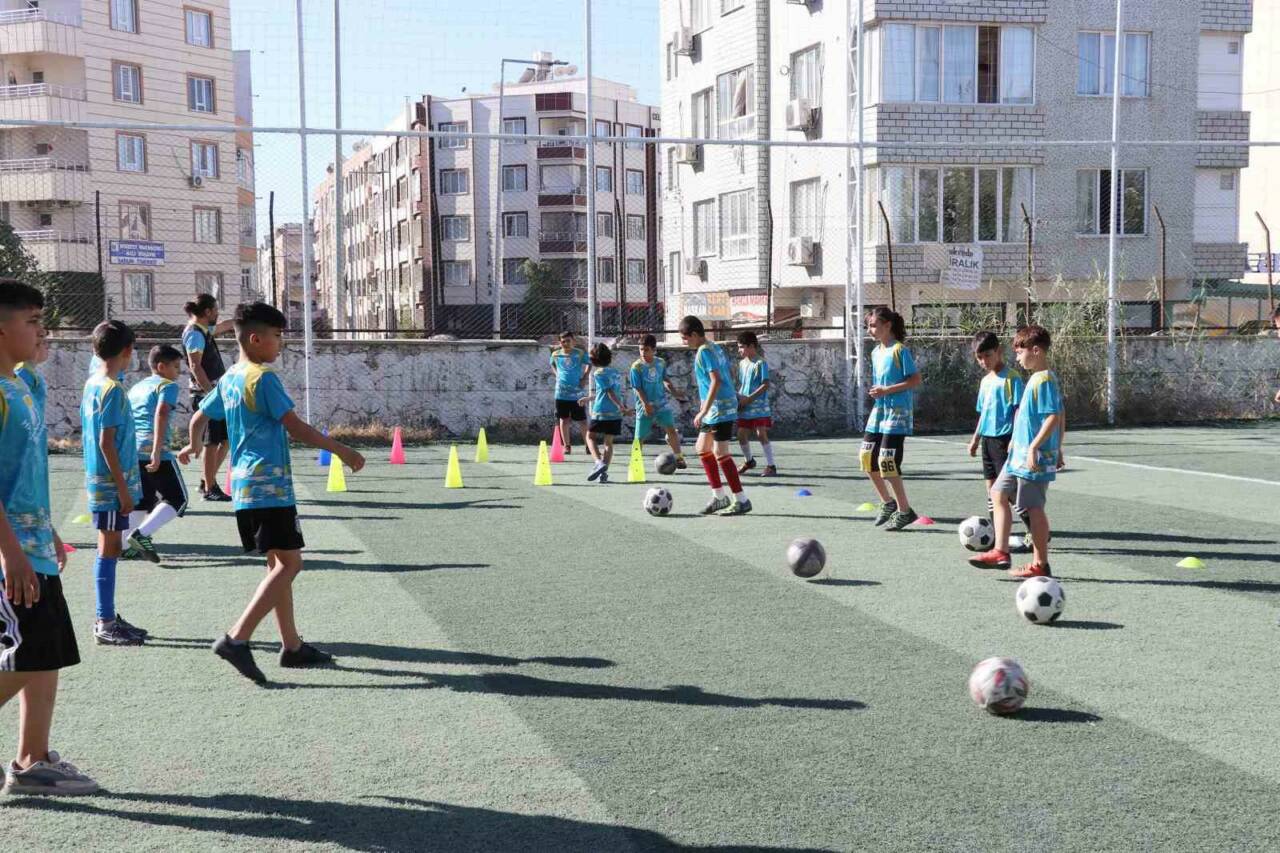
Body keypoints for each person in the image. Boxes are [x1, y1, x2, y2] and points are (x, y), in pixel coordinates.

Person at [180, 302, 365, 684]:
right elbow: (295, 427)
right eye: (278, 336)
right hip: (270, 487)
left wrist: (193, 446)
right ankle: (237, 638)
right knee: (290, 565)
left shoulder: (231, 377)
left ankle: (291, 646)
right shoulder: (262, 378)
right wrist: (342, 450)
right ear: (255, 339)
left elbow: (199, 416)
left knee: (277, 564)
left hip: (244, 487)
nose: (281, 343)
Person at [0, 279, 97, 796]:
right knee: (32, 648)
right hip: (10, 553)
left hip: (32, 544)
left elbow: (22, 474)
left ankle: (32, 761)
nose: (43, 332)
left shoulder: (21, 385)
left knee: (45, 652)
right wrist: (11, 553)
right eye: (33, 321)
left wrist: (48, 530)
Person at [969, 325, 1064, 578]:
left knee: (1033, 507)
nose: (1018, 357)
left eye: (1021, 352)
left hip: (1033, 456)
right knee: (998, 493)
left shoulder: (1044, 380)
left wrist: (1035, 447)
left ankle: (1040, 563)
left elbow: (1054, 416)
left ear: (1036, 351)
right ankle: (1000, 551)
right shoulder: (1036, 378)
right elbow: (1056, 414)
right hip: (1017, 455)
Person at [82, 320, 149, 646]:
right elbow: (106, 442)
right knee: (109, 549)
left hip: (102, 483)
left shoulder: (94, 383)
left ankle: (106, 615)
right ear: (127, 350)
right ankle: (104, 621)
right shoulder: (112, 389)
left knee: (110, 547)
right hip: (110, 486)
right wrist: (123, 490)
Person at [124, 345, 190, 564]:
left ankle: (125, 546)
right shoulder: (167, 385)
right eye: (176, 367)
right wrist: (156, 449)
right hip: (153, 448)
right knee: (178, 498)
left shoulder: (138, 387)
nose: (179, 371)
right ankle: (140, 535)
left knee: (143, 500)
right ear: (161, 367)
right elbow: (161, 412)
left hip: (132, 449)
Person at [679, 316, 751, 516]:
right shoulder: (714, 346)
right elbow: (723, 376)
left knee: (721, 453)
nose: (684, 342)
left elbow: (716, 380)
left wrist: (703, 410)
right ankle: (719, 497)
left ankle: (741, 500)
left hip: (720, 408)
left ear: (694, 334)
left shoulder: (704, 351)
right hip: (716, 408)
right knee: (702, 448)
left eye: (685, 338)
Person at [861, 306, 922, 532]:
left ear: (888, 326)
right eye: (868, 326)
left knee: (887, 462)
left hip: (897, 413)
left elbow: (915, 380)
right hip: (880, 412)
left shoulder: (899, 350)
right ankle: (888, 503)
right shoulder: (876, 352)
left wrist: (886, 390)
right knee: (866, 457)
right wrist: (878, 392)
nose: (870, 330)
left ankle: (905, 511)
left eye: (873, 325)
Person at [966, 331, 1025, 523]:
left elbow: (1019, 411)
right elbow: (984, 413)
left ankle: (1033, 528)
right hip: (987, 441)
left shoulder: (1012, 378)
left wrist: (1015, 439)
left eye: (987, 355)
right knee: (991, 488)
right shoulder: (985, 382)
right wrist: (975, 439)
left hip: (1004, 440)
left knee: (1007, 489)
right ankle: (994, 530)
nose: (984, 361)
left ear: (999, 351)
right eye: (979, 357)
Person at [182, 294, 235, 502]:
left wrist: (244, 318)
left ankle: (207, 480)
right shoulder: (195, 334)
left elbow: (224, 326)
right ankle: (209, 489)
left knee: (225, 440)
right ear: (207, 312)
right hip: (206, 395)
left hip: (216, 395)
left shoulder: (204, 330)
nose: (218, 313)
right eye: (215, 310)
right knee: (211, 442)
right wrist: (210, 392)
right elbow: (196, 366)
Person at [629, 334, 685, 468]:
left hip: (661, 404)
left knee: (671, 430)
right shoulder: (636, 367)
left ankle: (679, 458)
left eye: (646, 350)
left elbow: (665, 379)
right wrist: (645, 404)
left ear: (654, 350)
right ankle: (635, 464)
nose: (643, 353)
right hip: (644, 406)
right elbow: (637, 388)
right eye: (641, 349)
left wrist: (674, 392)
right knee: (639, 438)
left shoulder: (660, 363)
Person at [581, 343, 627, 484]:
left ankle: (598, 462)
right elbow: (606, 392)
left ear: (594, 360)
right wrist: (589, 398)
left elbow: (609, 392)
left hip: (601, 411)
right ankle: (603, 473)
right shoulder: (615, 373)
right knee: (608, 443)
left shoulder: (598, 373)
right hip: (615, 414)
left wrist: (620, 406)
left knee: (590, 437)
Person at [735, 331, 776, 477]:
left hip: (758, 406)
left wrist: (749, 399)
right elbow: (742, 384)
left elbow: (765, 384)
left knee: (760, 433)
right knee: (741, 434)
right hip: (745, 406)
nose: (739, 350)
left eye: (741, 347)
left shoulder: (761, 363)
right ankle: (749, 461)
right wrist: (739, 398)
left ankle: (771, 466)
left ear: (751, 346)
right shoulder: (741, 363)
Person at [550, 331, 589, 455]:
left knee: (582, 420)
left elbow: (589, 363)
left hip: (577, 394)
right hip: (561, 393)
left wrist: (584, 378)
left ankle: (588, 445)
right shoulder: (556, 354)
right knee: (564, 419)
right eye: (563, 341)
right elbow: (552, 364)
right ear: (560, 343)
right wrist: (557, 374)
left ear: (573, 341)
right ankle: (567, 446)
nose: (566, 343)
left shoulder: (580, 353)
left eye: (568, 341)